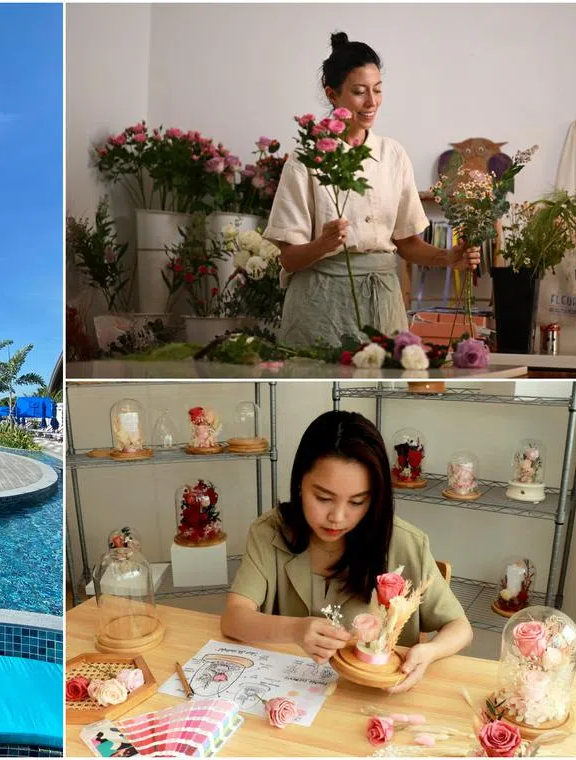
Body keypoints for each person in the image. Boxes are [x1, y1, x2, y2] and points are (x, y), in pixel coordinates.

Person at [221, 410, 472, 694]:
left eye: (357, 502)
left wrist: (428, 653)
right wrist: (294, 630)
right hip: (288, 695)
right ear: (300, 484)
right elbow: (233, 619)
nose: (337, 517)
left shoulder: (405, 543)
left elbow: (459, 626)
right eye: (324, 498)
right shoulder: (269, 531)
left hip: (369, 700)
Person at [263, 32, 481, 348]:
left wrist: (449, 257)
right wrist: (324, 244)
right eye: (359, 92)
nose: (372, 102)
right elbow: (288, 260)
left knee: (381, 393)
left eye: (377, 90)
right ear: (332, 94)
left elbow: (407, 244)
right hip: (320, 306)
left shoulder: (393, 155)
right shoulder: (307, 160)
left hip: (384, 304)